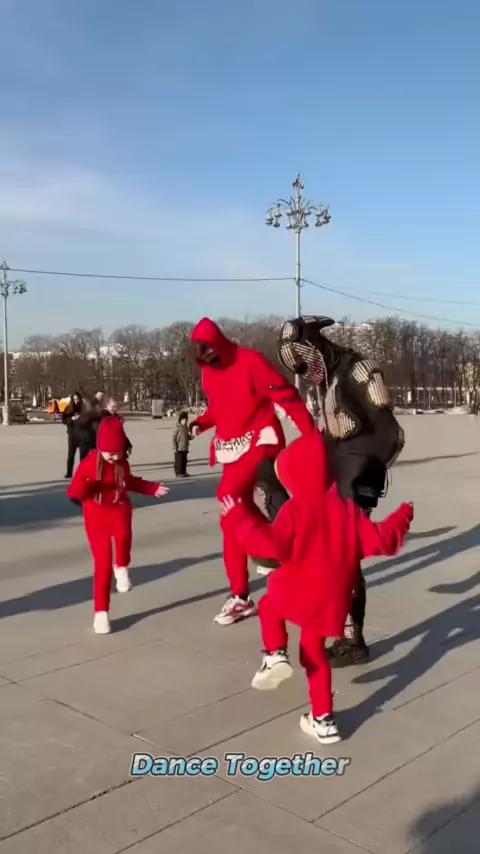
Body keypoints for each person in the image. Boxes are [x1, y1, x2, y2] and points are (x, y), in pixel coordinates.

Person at [220, 433, 413, 744]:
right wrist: (402, 516)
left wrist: (239, 518)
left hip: (296, 590)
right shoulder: (348, 510)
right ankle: (323, 720)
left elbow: (268, 546)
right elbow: (381, 539)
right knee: (313, 652)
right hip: (331, 600)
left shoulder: (295, 510)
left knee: (268, 605)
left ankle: (275, 654)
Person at [276, 315, 405, 666]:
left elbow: (391, 433)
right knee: (335, 557)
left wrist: (369, 479)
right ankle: (346, 633)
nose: (304, 372)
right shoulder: (328, 381)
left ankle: (352, 639)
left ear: (315, 346)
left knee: (344, 558)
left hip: (358, 473)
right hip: (337, 476)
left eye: (303, 360)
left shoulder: (358, 370)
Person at [189, 317, 316, 625]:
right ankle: (243, 594)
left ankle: (274, 553)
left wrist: (312, 437)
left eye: (212, 353)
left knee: (228, 499)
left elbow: (287, 396)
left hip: (261, 439)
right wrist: (202, 422)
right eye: (204, 357)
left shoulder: (250, 362)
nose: (210, 360)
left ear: (219, 345)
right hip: (232, 445)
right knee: (230, 518)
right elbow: (220, 405)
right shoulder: (208, 372)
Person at [66, 417, 168, 634]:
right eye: (109, 453)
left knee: (123, 535)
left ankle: (121, 566)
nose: (114, 457)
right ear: (100, 448)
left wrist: (151, 488)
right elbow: (74, 488)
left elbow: (129, 481)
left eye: (117, 452)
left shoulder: (122, 463)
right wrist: (85, 488)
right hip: (96, 515)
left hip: (118, 508)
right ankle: (101, 613)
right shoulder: (90, 462)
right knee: (102, 565)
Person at [62, 391, 84, 478]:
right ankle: (69, 472)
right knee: (71, 454)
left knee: (83, 455)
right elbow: (64, 420)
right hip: (72, 435)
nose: (76, 401)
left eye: (77, 399)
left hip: (82, 434)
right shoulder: (68, 409)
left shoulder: (83, 408)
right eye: (74, 399)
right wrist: (71, 419)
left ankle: (83, 472)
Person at [172, 411, 190, 477]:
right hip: (178, 448)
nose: (185, 421)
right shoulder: (178, 427)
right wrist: (175, 448)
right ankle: (178, 473)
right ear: (180, 420)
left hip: (185, 447)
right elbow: (174, 438)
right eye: (183, 420)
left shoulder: (186, 428)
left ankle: (184, 472)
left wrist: (191, 436)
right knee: (179, 461)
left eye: (186, 420)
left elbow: (187, 437)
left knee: (184, 461)